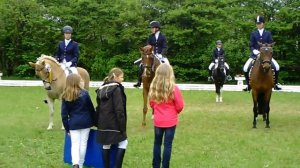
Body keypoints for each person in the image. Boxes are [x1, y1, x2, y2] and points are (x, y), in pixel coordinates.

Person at [148, 63, 184, 168]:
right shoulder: (174, 88)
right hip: (170, 121)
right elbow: (180, 105)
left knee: (157, 143)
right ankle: (165, 166)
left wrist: (157, 110)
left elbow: (152, 103)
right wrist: (174, 112)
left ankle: (155, 165)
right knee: (167, 145)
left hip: (158, 120)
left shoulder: (154, 87)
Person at [61, 74, 96, 168]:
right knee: (83, 144)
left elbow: (64, 115)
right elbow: (91, 109)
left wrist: (67, 128)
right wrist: (95, 122)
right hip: (86, 122)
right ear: (77, 82)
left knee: (75, 145)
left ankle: (75, 163)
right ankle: (80, 164)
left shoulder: (65, 95)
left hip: (73, 124)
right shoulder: (85, 94)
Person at [96, 68, 127, 168]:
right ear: (116, 76)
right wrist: (122, 127)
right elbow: (119, 110)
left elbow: (98, 107)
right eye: (121, 77)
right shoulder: (117, 89)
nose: (122, 79)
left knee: (106, 145)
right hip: (114, 123)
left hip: (103, 123)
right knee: (123, 142)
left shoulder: (101, 88)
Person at [243, 16, 282, 91]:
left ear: (263, 24)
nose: (258, 25)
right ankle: (248, 85)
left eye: (259, 23)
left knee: (277, 67)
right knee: (245, 68)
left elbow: (270, 43)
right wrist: (255, 51)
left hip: (266, 56)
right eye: (257, 23)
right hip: (255, 55)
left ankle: (275, 84)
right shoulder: (253, 33)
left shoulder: (268, 33)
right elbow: (251, 45)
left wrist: (266, 50)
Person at [133, 21, 168, 88]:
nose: (151, 29)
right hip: (151, 54)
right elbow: (148, 46)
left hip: (161, 55)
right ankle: (139, 82)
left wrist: (161, 54)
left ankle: (168, 83)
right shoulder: (150, 36)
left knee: (167, 65)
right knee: (141, 65)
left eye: (152, 28)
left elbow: (165, 47)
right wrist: (149, 53)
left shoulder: (163, 36)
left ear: (157, 28)